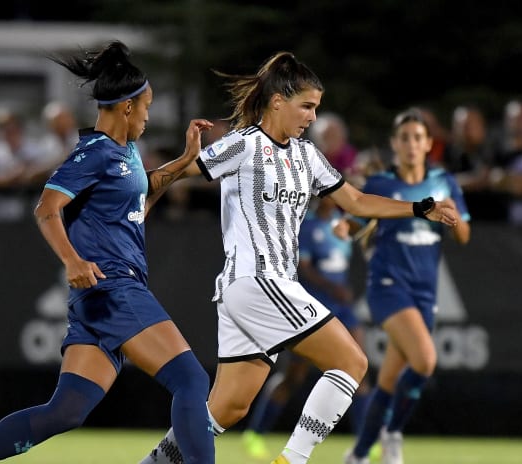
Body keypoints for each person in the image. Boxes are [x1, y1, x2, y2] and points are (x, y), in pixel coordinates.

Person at [139, 51, 458, 464]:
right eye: (306, 106)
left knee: (227, 409)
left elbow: (356, 201)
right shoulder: (246, 144)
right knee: (351, 361)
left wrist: (419, 207)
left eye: (316, 107)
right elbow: (180, 171)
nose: (311, 116)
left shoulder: (306, 156)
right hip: (257, 281)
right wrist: (138, 201)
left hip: (252, 292)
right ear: (277, 102)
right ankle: (292, 460)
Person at [0, 40, 216, 464]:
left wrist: (185, 163)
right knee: (190, 380)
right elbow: (46, 208)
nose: (150, 115)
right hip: (113, 286)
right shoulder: (93, 152)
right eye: (147, 106)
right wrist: (72, 260)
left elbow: (138, 200)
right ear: (127, 107)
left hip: (97, 296)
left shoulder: (125, 151)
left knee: (67, 410)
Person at [341, 109, 471, 464]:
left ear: (429, 143)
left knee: (387, 382)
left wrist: (452, 215)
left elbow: (463, 236)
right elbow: (356, 221)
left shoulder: (444, 182)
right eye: (405, 138)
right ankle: (394, 434)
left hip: (424, 291)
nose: (412, 144)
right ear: (394, 144)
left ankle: (358, 453)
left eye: (418, 137)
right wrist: (345, 228)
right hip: (388, 286)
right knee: (426, 360)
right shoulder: (381, 184)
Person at [241, 195, 372, 460]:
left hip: (343, 308)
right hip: (315, 308)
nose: (331, 199)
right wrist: (333, 287)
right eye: (326, 194)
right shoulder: (307, 226)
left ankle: (364, 443)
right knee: (294, 376)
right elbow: (304, 267)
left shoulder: (342, 223)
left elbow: (368, 223)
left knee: (360, 370)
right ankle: (256, 432)